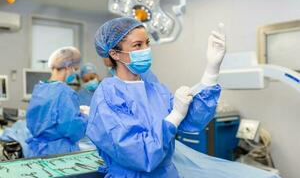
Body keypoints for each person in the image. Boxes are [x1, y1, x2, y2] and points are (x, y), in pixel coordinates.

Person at [86, 17, 226, 177]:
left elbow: (193, 120)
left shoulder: (157, 90)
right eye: (138, 45)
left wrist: (211, 71)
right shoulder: (108, 95)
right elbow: (139, 154)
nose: (146, 49)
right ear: (115, 54)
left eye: (147, 43)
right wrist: (175, 115)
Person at [25, 46, 88, 158]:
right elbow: (71, 129)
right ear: (69, 67)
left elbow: (36, 120)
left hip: (37, 151)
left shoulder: (39, 88)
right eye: (75, 69)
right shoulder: (64, 92)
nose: (75, 74)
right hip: (58, 153)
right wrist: (85, 117)